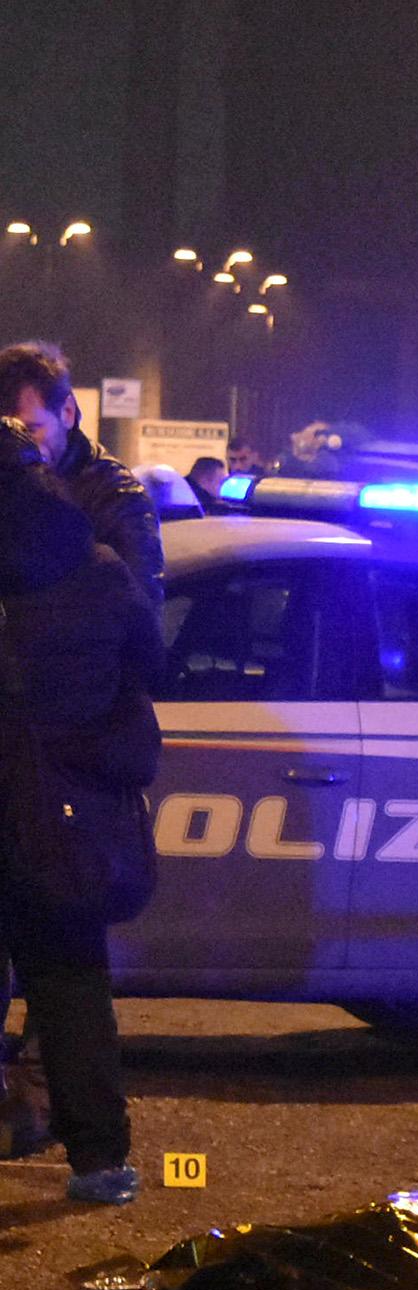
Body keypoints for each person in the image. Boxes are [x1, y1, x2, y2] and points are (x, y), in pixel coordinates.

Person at [0, 416, 163, 1204]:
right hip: (59, 809)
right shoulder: (95, 568)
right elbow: (146, 661)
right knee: (71, 979)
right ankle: (100, 1161)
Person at [0, 342, 163, 614]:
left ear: (67, 412)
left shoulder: (117, 497)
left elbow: (140, 620)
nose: (18, 446)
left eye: (30, 429)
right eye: (6, 433)